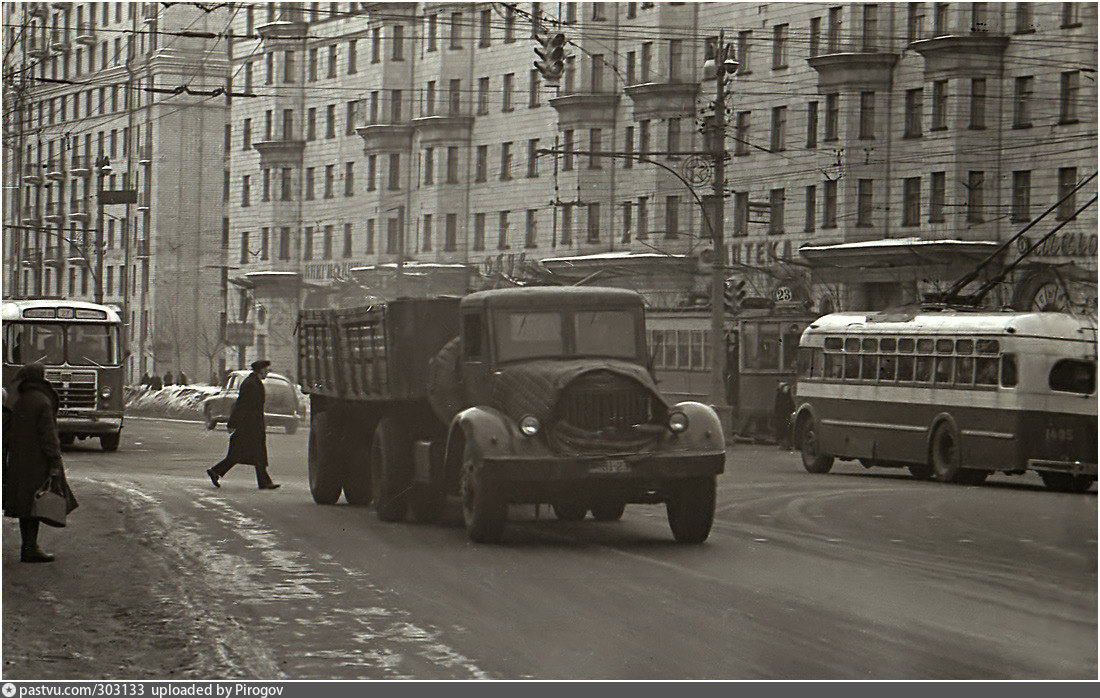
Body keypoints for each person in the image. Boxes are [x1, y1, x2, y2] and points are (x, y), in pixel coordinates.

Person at [3, 365, 79, 563]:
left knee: (25, 504)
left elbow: (7, 432)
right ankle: (30, 548)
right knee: (36, 504)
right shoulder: (43, 401)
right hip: (38, 461)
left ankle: (27, 546)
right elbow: (49, 436)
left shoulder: (18, 400)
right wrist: (54, 460)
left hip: (19, 461)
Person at [206, 360, 280, 490]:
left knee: (255, 454)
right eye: (266, 369)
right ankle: (215, 471)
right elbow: (241, 405)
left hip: (252, 424)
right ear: (260, 370)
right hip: (248, 426)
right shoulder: (251, 384)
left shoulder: (254, 382)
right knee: (241, 454)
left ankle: (264, 482)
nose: (268, 372)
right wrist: (233, 423)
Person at [773, 381, 796, 451]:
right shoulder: (780, 397)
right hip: (781, 416)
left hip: (786, 415)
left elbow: (792, 405)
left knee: (787, 429)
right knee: (783, 429)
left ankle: (787, 444)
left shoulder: (785, 397)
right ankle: (783, 444)